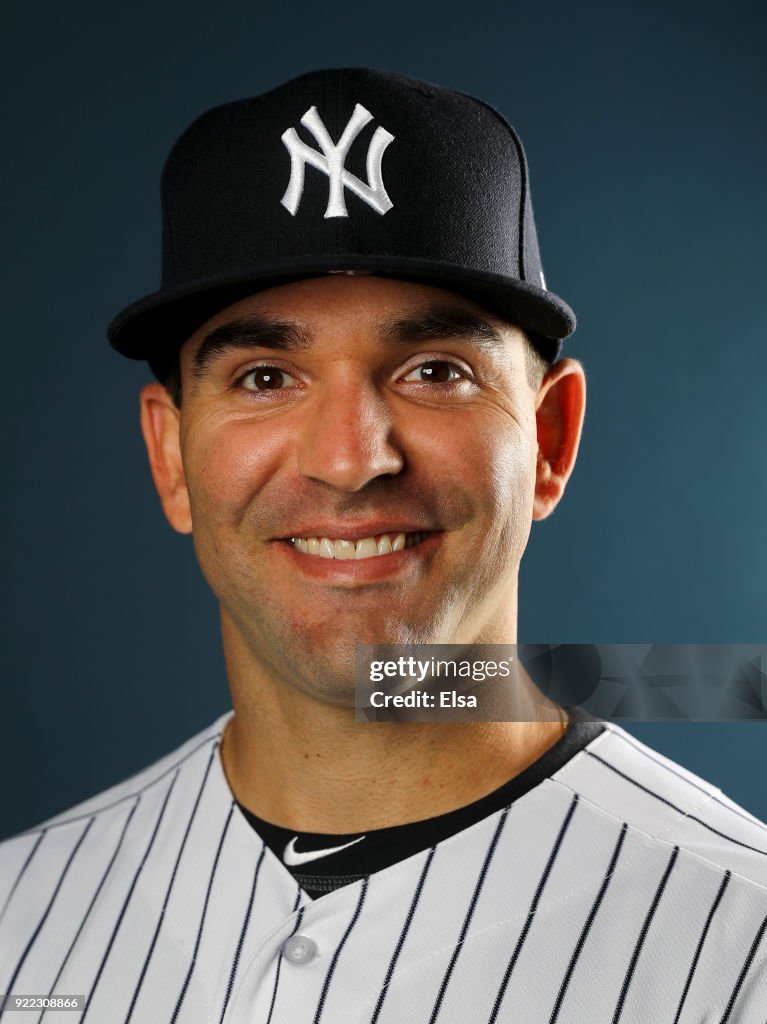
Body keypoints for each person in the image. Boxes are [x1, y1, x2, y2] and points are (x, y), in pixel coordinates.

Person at [1, 67, 766, 1024]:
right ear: (170, 454)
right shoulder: (15, 912)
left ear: (550, 441)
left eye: (434, 370)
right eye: (265, 376)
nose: (350, 461)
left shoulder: (745, 943)